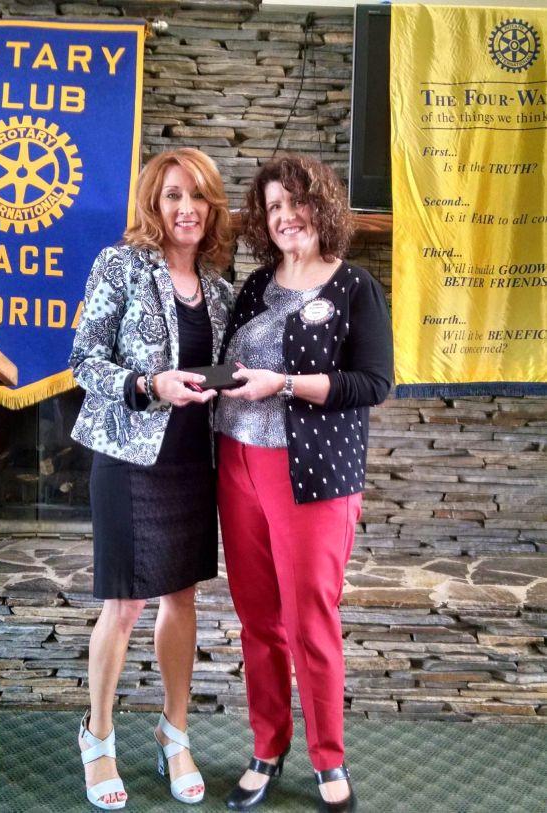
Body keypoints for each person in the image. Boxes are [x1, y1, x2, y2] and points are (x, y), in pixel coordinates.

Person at [215, 154, 393, 812]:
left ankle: (328, 758)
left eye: (297, 201)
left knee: (309, 619)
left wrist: (285, 384)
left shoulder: (354, 287)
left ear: (323, 206)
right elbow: (232, 367)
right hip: (237, 464)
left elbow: (373, 383)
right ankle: (267, 746)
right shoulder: (255, 286)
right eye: (274, 207)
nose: (286, 216)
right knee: (257, 620)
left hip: (312, 474)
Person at [69, 147, 234, 810]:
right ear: (153, 203)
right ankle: (98, 736)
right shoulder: (121, 265)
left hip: (193, 459)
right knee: (125, 603)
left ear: (212, 206)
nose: (186, 208)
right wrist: (147, 384)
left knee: (181, 598)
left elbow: (218, 372)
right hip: (128, 454)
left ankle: (175, 731)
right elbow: (84, 360)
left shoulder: (219, 287)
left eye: (197, 196)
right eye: (173, 195)